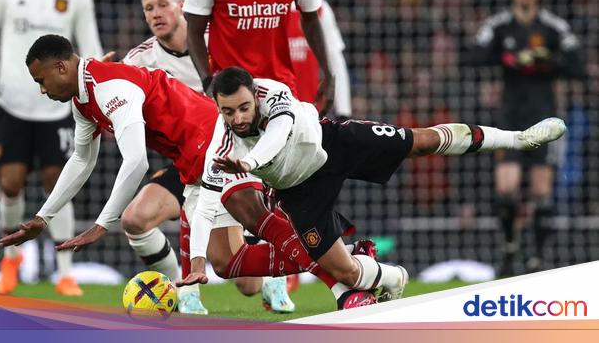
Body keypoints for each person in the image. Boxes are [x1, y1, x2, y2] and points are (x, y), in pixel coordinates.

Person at [0, 35, 374, 313]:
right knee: (231, 266)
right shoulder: (85, 99)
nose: (42, 90)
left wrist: (101, 224)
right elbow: (81, 160)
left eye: (42, 80)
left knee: (262, 224)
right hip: (189, 154)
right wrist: (43, 217)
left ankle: (348, 281)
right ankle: (348, 260)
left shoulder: (109, 88)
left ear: (61, 67)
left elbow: (136, 164)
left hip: (212, 141)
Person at [188, 66, 567, 308]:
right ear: (217, 107)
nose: (237, 118)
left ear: (253, 96)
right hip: (300, 193)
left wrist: (251, 162)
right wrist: (198, 264)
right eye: (227, 111)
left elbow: (280, 130)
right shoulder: (221, 147)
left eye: (242, 108)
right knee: (347, 273)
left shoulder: (272, 94)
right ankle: (392, 277)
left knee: (420, 142)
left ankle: (518, 139)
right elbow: (205, 206)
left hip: (333, 143)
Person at [120, 0, 292, 314]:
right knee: (135, 219)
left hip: (234, 161)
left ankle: (275, 273)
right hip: (187, 162)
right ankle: (176, 289)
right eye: (148, 9)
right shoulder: (139, 60)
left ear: (182, 5)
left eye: (163, 5)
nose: (156, 14)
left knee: (246, 285)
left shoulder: (218, 39)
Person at [0, 0, 105, 296]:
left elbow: (92, 47)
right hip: (12, 103)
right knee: (9, 183)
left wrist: (100, 87)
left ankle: (66, 272)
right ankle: (10, 258)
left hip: (58, 107)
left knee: (58, 182)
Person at [470, 0, 586, 275]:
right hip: (509, 119)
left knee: (541, 192)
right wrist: (507, 59)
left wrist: (548, 61)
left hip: (544, 120)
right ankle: (510, 247)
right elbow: (474, 56)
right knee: (506, 188)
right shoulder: (498, 25)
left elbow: (577, 66)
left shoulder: (553, 28)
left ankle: (537, 258)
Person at [183, 0, 335, 109]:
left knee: (288, 142)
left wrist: (328, 75)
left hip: (281, 87)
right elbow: (193, 33)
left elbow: (311, 18)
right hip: (230, 90)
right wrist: (207, 81)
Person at [287, 0, 351, 117]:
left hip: (311, 111)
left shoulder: (320, 7)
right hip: (276, 108)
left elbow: (335, 61)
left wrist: (343, 111)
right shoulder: (269, 6)